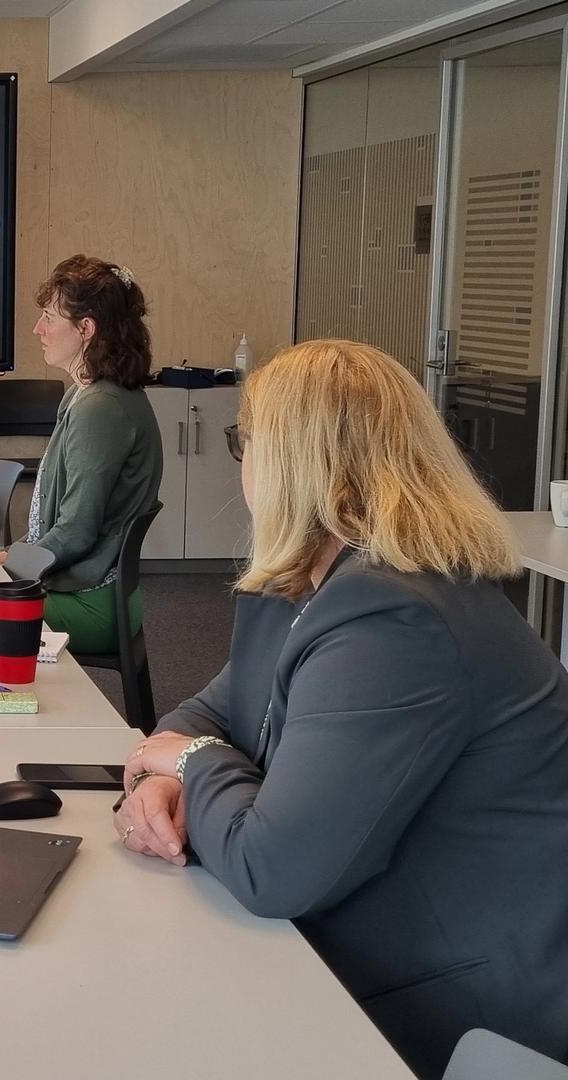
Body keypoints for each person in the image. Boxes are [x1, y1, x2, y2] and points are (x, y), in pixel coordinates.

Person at [115, 339, 568, 1077]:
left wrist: (193, 767)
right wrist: (160, 780)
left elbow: (271, 868)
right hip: (351, 933)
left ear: (293, 461)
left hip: (464, 1011)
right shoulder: (302, 582)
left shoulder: (397, 614)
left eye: (244, 441)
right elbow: (200, 716)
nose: (241, 461)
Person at [5, 255, 163, 655]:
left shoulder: (101, 407)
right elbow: (58, 523)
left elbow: (76, 530)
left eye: (49, 318)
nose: (37, 329)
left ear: (85, 329)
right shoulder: (87, 394)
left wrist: (8, 564)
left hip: (90, 603)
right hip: (85, 590)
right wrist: (11, 556)